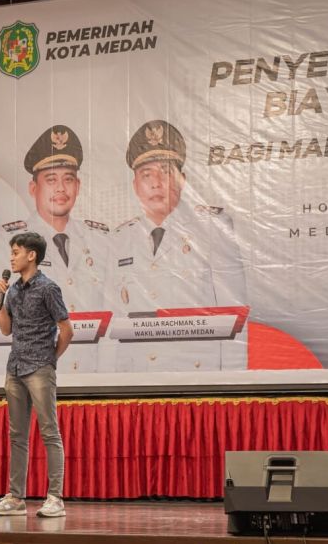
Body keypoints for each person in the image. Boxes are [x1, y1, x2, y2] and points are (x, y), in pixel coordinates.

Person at [105, 120, 247, 371]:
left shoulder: (213, 228)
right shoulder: (119, 239)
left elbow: (234, 314)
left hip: (196, 375)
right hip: (136, 376)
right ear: (135, 185)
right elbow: (112, 320)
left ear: (183, 179)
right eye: (146, 175)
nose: (156, 182)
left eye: (166, 171)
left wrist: (233, 381)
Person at [0, 125, 110, 373]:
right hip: (33, 369)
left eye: (68, 179)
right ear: (33, 188)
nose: (61, 188)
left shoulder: (100, 239)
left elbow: (112, 318)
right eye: (51, 179)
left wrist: (108, 376)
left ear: (78, 186)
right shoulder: (10, 241)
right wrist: (6, 380)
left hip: (90, 373)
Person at [0, 232, 73, 518]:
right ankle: (15, 497)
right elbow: (6, 329)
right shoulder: (12, 290)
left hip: (39, 367)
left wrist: (49, 359)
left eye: (15, 252)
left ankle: (55, 497)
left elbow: (66, 329)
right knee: (17, 435)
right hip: (15, 368)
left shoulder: (48, 288)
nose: (11, 257)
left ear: (31, 255)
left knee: (49, 431)